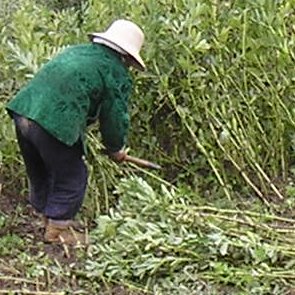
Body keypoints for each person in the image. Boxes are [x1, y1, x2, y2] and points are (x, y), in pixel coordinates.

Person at [6, 19, 146, 245]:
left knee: (41, 169)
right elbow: (114, 116)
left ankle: (47, 217)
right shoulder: (114, 70)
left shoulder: (78, 52)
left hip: (24, 112)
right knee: (73, 175)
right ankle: (58, 230)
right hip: (54, 120)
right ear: (127, 56)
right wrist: (115, 148)